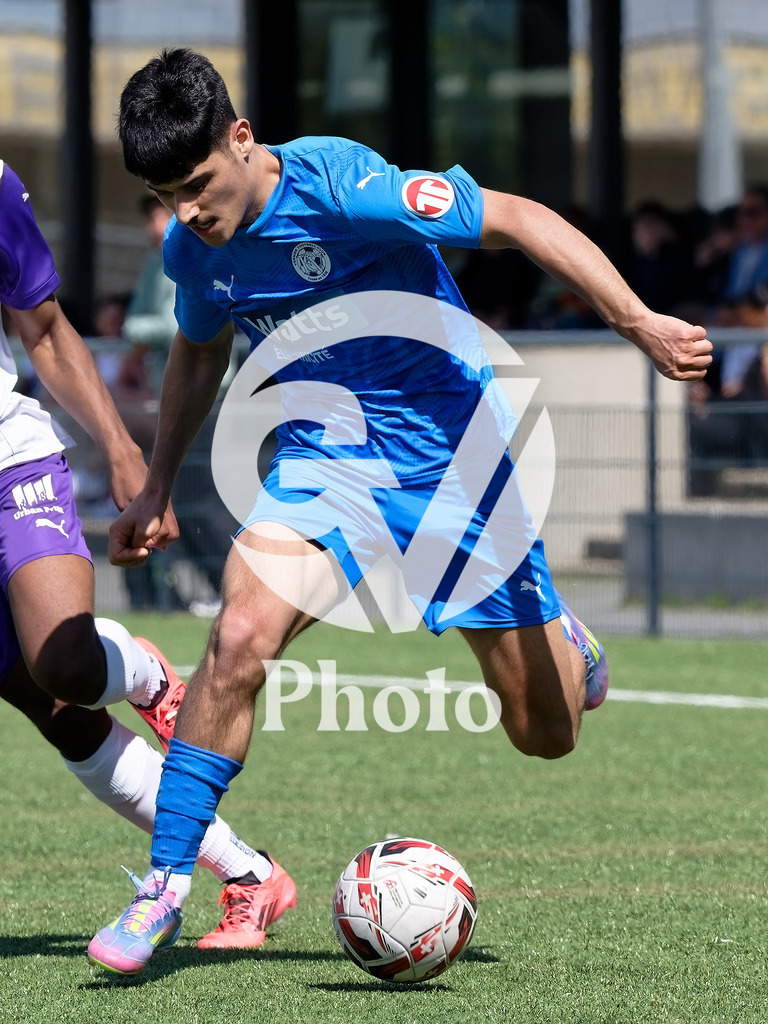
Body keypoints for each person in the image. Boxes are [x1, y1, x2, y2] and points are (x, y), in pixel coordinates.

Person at [88, 48, 712, 975]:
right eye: (166, 194)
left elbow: (518, 216)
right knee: (236, 640)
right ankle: (167, 887)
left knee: (545, 734)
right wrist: (156, 485)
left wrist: (637, 321)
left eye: (197, 185)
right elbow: (197, 346)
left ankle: (566, 648)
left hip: (455, 462)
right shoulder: (196, 246)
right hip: (324, 464)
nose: (187, 214)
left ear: (242, 137)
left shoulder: (345, 185)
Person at [0, 158, 295, 951]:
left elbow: (46, 328)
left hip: (9, 462)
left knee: (63, 662)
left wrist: (126, 454)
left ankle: (145, 672)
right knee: (55, 712)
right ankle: (249, 876)